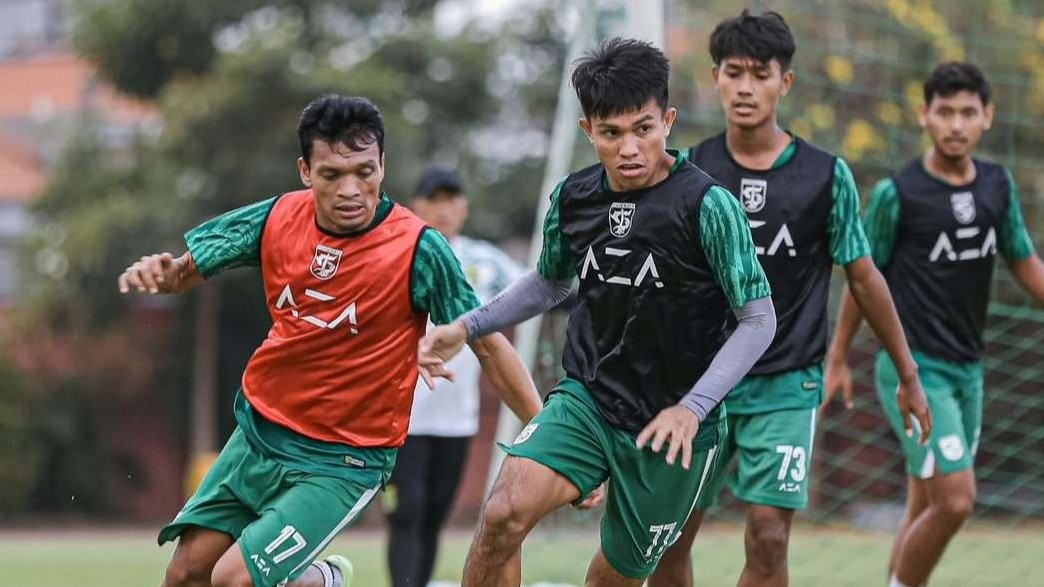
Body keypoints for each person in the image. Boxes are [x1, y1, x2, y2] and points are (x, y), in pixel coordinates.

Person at [116, 94, 542, 587]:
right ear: (305, 170)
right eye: (332, 175)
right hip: (258, 436)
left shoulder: (420, 249)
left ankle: (319, 579)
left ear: (383, 164)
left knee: (233, 580)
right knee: (187, 573)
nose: (351, 190)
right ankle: (314, 581)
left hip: (343, 459)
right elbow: (188, 271)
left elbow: (488, 343)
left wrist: (542, 431)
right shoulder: (277, 217)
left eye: (364, 171)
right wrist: (166, 274)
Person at [419, 38, 777, 586]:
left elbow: (759, 320)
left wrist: (693, 407)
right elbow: (549, 283)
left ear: (668, 121)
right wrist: (465, 327)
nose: (629, 147)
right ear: (589, 131)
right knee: (501, 517)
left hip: (675, 424)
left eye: (644, 128)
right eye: (611, 133)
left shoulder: (709, 207)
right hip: (587, 396)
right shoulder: (574, 197)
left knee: (612, 580)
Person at [649, 11, 931, 587]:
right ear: (716, 78)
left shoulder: (826, 176)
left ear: (786, 82)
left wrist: (908, 373)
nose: (746, 86)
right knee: (669, 538)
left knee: (770, 537)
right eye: (734, 72)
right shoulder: (689, 169)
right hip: (699, 385)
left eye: (760, 73)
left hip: (786, 385)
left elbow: (864, 277)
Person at [825, 62, 1044, 587]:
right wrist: (837, 356)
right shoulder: (897, 195)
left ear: (987, 117)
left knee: (924, 501)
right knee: (957, 499)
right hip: (914, 373)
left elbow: (1023, 260)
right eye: (944, 112)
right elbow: (862, 279)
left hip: (969, 369)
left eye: (968, 112)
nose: (955, 124)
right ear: (924, 115)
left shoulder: (997, 185)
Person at [382, 166, 525, 587]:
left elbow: (539, 289)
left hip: (458, 418)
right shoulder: (398, 254)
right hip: (402, 417)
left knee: (434, 515)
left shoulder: (485, 261)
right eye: (433, 200)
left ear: (463, 206)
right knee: (406, 513)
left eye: (452, 199)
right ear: (417, 205)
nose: (443, 209)